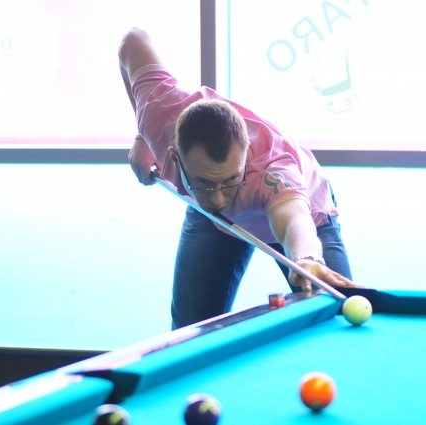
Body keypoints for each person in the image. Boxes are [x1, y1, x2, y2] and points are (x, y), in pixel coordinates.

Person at [118, 28, 357, 329]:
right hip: (208, 216)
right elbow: (133, 40)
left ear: (245, 156)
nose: (219, 199)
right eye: (205, 182)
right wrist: (143, 135)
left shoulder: (272, 172)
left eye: (230, 179)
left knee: (337, 313)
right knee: (190, 328)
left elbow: (294, 220)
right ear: (175, 157)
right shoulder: (158, 112)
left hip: (303, 212)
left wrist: (308, 257)